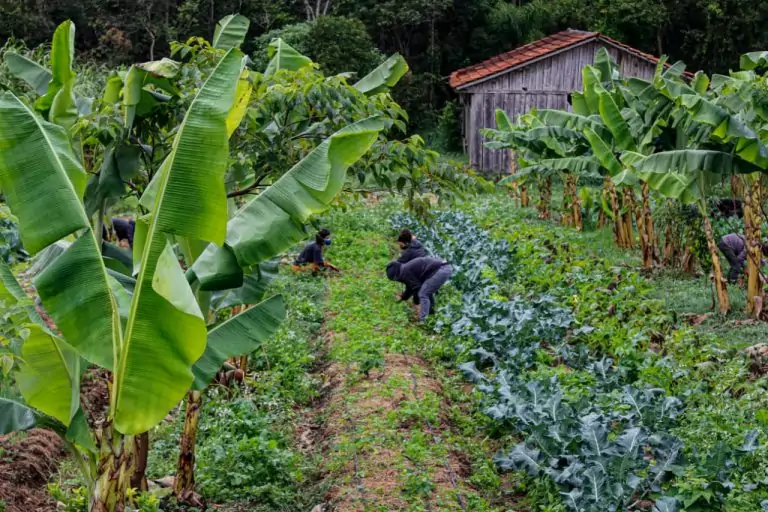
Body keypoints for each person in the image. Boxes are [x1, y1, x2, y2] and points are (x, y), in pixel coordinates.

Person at [386, 256, 453, 322]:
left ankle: (424, 321)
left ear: (396, 275)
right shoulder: (404, 269)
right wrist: (403, 297)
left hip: (441, 270)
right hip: (443, 267)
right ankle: (431, 316)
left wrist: (416, 302)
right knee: (426, 291)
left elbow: (416, 288)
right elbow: (410, 287)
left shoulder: (404, 272)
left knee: (423, 293)